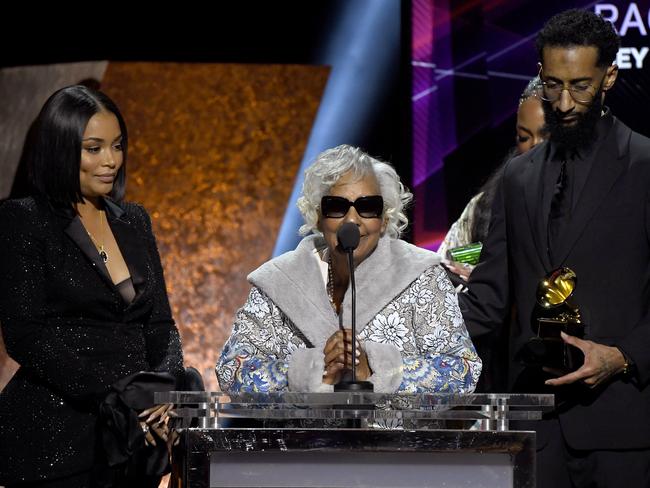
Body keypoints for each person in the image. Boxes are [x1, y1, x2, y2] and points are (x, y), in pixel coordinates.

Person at [458, 9, 650, 487]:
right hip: (536, 426)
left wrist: (623, 356)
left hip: (621, 427)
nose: (564, 103)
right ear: (541, 76)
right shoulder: (519, 178)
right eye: (554, 85)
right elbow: (488, 298)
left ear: (609, 78)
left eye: (581, 86)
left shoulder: (646, 166)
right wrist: (400, 340)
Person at [0, 85, 184, 488]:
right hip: (54, 439)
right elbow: (25, 335)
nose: (111, 161)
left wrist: (166, 390)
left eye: (117, 146)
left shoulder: (134, 220)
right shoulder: (23, 220)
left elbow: (161, 325)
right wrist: (115, 393)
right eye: (94, 148)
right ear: (61, 150)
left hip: (132, 438)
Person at [216, 144, 481, 395]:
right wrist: (313, 372)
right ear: (318, 217)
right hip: (302, 443)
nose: (351, 221)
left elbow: (464, 371)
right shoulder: (278, 281)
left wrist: (376, 369)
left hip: (398, 443)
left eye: (367, 208)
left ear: (385, 218)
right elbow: (232, 369)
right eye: (337, 207)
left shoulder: (423, 276)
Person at [438, 75, 547, 278]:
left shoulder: (592, 199)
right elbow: (449, 260)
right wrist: (479, 273)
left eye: (547, 136)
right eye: (524, 137)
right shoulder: (486, 205)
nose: (535, 146)